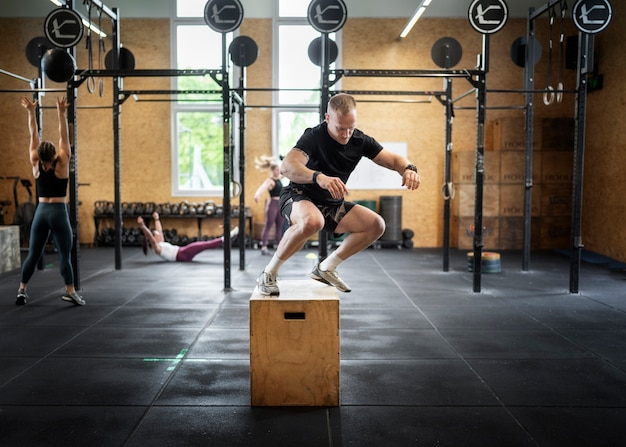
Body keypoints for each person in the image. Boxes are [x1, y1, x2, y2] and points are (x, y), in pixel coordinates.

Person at [256, 93, 421, 296]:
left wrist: (409, 168)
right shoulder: (314, 136)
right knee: (313, 222)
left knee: (376, 225)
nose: (346, 134)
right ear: (327, 118)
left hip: (331, 204)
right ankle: (268, 274)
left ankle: (326, 268)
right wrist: (319, 177)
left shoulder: (359, 140)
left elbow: (393, 159)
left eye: (350, 128)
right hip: (299, 195)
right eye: (341, 128)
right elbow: (287, 167)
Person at [16, 96, 85, 306]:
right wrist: (61, 113)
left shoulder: (35, 162)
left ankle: (21, 290)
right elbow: (64, 135)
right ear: (55, 153)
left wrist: (30, 112)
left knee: (33, 255)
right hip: (58, 212)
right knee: (65, 255)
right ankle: (70, 291)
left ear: (39, 154)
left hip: (41, 212)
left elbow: (32, 134)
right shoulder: (63, 161)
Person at [137, 211, 238, 262]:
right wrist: (143, 226)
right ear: (154, 239)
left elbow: (159, 230)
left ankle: (224, 239)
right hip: (181, 254)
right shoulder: (157, 248)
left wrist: (156, 219)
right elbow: (150, 237)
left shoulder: (161, 243)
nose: (160, 235)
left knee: (204, 245)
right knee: (204, 245)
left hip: (182, 251)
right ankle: (225, 238)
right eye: (157, 236)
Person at [253, 155, 285, 256]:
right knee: (268, 226)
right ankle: (264, 247)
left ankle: (279, 247)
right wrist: (257, 194)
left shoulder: (279, 178)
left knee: (279, 227)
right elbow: (262, 188)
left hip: (280, 204)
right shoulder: (270, 181)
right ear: (272, 170)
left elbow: (288, 171)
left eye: (279, 169)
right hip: (273, 205)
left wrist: (285, 160)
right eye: (276, 170)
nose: (278, 171)